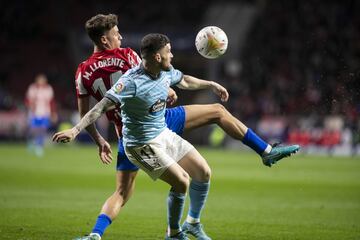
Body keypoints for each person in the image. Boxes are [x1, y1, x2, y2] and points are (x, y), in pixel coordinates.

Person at [65, 14, 300, 240]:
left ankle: (97, 233)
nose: (121, 38)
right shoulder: (128, 58)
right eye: (116, 34)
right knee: (209, 130)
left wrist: (98, 140)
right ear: (105, 39)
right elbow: (146, 78)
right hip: (141, 132)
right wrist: (167, 89)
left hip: (141, 127)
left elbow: (88, 111)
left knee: (122, 193)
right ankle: (174, 232)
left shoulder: (82, 71)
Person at [25, 73, 57, 157]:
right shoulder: (32, 88)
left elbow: (51, 102)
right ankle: (31, 143)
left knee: (42, 130)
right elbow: (27, 100)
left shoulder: (48, 89)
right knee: (33, 130)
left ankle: (39, 146)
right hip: (34, 113)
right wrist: (30, 106)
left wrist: (53, 113)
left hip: (45, 113)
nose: (41, 81)